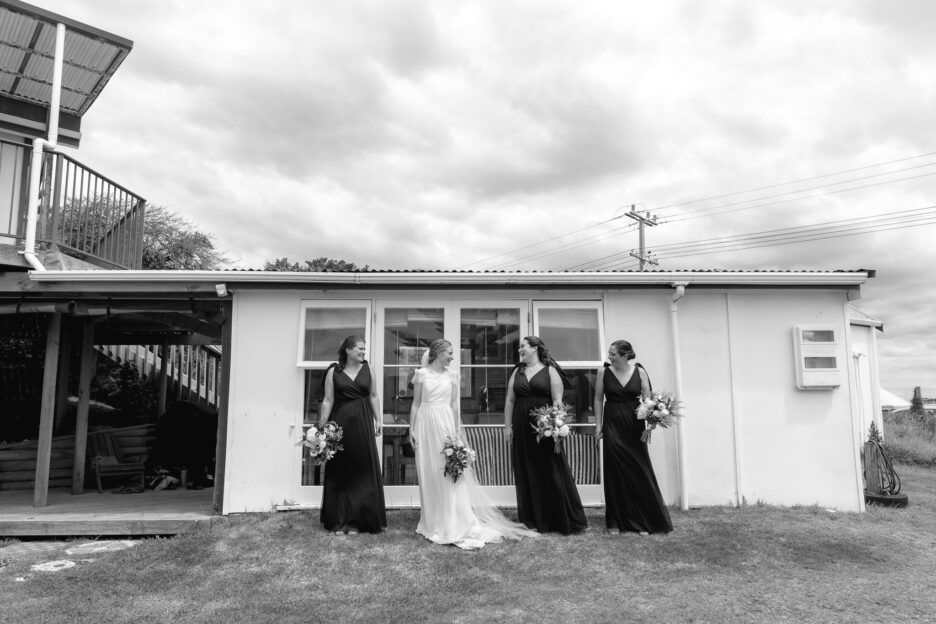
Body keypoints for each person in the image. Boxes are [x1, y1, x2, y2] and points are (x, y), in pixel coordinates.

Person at [409, 339, 537, 549]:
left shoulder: (452, 376)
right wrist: (411, 429)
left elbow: (453, 406)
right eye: (449, 353)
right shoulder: (421, 374)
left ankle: (454, 520)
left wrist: (456, 433)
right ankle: (432, 520)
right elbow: (415, 404)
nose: (452, 357)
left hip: (444, 424)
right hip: (425, 424)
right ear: (438, 353)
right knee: (429, 471)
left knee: (450, 472)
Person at [504, 336, 587, 534]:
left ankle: (558, 518)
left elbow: (558, 402)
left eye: (523, 346)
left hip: (545, 429)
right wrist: (508, 426)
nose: (519, 350)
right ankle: (532, 517)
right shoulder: (518, 371)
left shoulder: (550, 371)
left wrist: (556, 427)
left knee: (550, 469)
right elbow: (509, 401)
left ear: (534, 348)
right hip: (522, 427)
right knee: (526, 469)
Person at [593, 340, 673, 535]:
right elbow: (597, 399)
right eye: (609, 353)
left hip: (634, 424)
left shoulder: (640, 372)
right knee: (615, 470)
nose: (609, 356)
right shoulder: (603, 372)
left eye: (613, 354)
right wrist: (598, 425)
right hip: (612, 422)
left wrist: (652, 424)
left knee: (637, 470)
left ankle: (640, 519)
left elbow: (650, 401)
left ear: (625, 355)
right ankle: (614, 521)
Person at [319, 335, 386, 534]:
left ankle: (359, 521)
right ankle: (340, 520)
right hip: (340, 423)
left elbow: (373, 396)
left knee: (362, 470)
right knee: (341, 471)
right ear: (347, 350)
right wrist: (322, 427)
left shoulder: (368, 368)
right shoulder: (334, 370)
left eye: (364, 349)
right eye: (360, 349)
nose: (363, 352)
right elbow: (328, 399)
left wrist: (378, 420)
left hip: (363, 423)